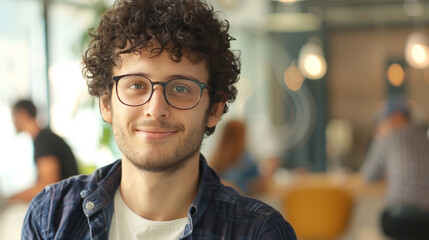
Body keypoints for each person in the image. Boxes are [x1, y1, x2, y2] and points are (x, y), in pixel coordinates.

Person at [21, 0, 297, 239]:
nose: (156, 109)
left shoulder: (258, 232)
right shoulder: (51, 217)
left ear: (214, 109)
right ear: (106, 104)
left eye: (180, 88)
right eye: (136, 85)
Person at [361, 95, 429, 239]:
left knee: (386, 217)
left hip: (401, 219)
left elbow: (368, 176)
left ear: (396, 116)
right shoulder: (425, 136)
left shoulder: (389, 138)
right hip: (426, 221)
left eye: (385, 119)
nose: (384, 123)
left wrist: (379, 136)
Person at [7, 99, 79, 203]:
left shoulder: (44, 140)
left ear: (21, 114)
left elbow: (48, 185)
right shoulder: (43, 138)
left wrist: (10, 199)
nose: (12, 121)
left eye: (13, 115)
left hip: (68, 207)